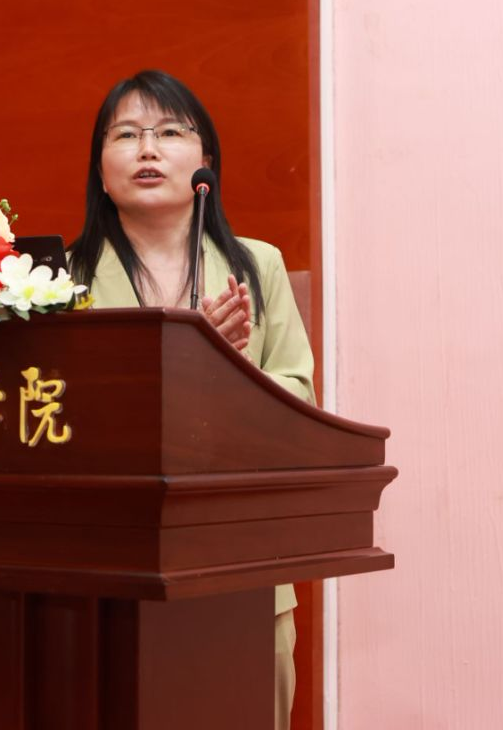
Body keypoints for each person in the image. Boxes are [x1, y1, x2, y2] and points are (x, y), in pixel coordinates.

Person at [68, 70, 315, 729]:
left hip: (237, 555)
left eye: (170, 132)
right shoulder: (60, 282)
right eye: (126, 134)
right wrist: (180, 363)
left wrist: (224, 373)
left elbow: (298, 397)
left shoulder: (257, 266)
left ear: (206, 161)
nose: (148, 149)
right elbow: (59, 419)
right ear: (101, 170)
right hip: (107, 563)